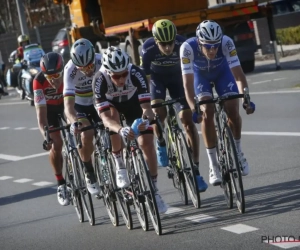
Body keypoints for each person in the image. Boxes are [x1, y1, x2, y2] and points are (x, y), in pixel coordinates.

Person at [92, 46, 168, 214]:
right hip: (113, 106)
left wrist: (144, 121)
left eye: (124, 74)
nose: (121, 79)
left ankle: (154, 190)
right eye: (116, 76)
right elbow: (105, 119)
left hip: (133, 103)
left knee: (147, 143)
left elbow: (147, 108)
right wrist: (121, 130)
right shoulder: (100, 79)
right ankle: (120, 165)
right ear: (108, 72)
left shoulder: (136, 73)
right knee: (113, 115)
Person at [180, 20, 255, 186]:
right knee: (207, 111)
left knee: (233, 109)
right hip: (201, 77)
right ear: (199, 42)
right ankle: (214, 165)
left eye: (215, 45)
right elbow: (187, 85)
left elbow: (239, 76)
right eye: (208, 46)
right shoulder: (187, 48)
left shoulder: (227, 42)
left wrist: (246, 99)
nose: (213, 50)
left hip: (222, 73)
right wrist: (194, 108)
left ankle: (237, 151)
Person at [140, 19, 207, 191]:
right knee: (158, 112)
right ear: (156, 41)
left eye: (170, 43)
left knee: (187, 121)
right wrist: (147, 106)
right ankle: (161, 142)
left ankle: (196, 170)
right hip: (157, 81)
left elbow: (193, 73)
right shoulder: (147, 49)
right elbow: (145, 82)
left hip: (178, 80)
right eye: (163, 44)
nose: (168, 48)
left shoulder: (182, 43)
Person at [63, 38, 101, 196]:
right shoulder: (69, 70)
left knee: (114, 129)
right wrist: (74, 122)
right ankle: (88, 171)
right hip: (79, 105)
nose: (87, 71)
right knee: (86, 133)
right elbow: (68, 107)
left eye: (90, 66)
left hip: (98, 100)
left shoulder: (102, 60)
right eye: (82, 68)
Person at [33, 52, 70, 206]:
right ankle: (60, 183)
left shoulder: (69, 71)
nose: (54, 81)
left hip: (67, 104)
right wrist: (45, 137)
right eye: (50, 77)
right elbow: (41, 119)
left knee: (82, 130)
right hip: (49, 110)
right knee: (56, 144)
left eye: (57, 76)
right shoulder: (38, 81)